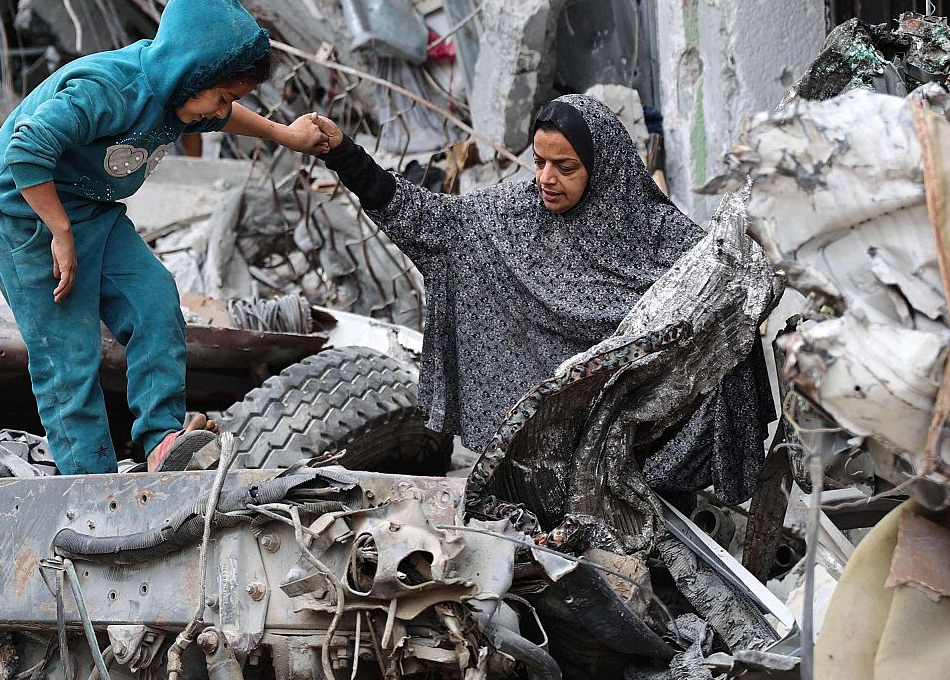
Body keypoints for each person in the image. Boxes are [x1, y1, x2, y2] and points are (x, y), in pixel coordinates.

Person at [308, 94, 769, 503]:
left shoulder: (661, 237)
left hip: (648, 477)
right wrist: (348, 157)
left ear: (602, 167)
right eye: (539, 161)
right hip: (544, 478)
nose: (546, 179)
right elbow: (430, 220)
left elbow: (726, 316)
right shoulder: (514, 216)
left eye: (565, 167)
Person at [0, 0, 329, 475]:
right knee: (69, 357)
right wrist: (61, 232)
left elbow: (222, 117)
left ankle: (162, 440)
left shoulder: (184, 93)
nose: (221, 110)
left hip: (89, 209)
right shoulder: (111, 90)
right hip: (25, 215)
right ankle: (89, 489)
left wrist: (284, 135)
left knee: (155, 300)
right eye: (221, 96)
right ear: (190, 73)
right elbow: (27, 149)